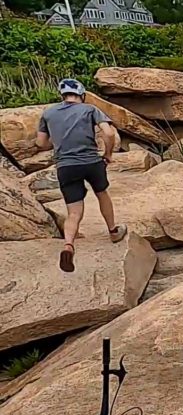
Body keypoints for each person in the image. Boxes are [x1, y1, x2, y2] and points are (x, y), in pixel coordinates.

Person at [36, 78, 127, 273]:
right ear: (82, 94)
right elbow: (109, 134)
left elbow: (41, 143)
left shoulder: (48, 113)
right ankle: (113, 231)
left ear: (62, 95)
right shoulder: (90, 109)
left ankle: (68, 245)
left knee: (74, 211)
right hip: (91, 162)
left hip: (66, 166)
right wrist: (108, 154)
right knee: (102, 194)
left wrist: (61, 142)